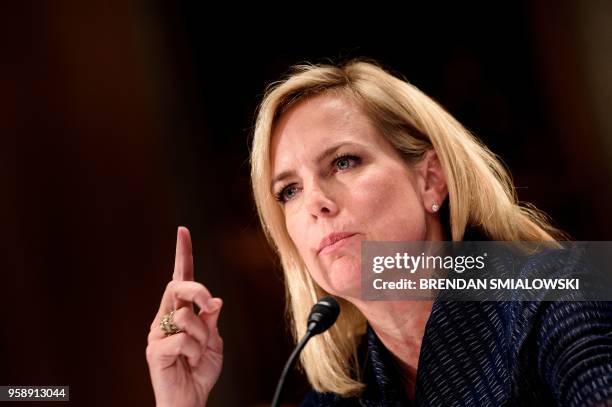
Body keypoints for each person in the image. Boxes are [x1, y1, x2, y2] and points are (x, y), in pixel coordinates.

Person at [146, 59, 612, 406]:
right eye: (288, 190)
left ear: (430, 179)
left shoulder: (558, 296)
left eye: (344, 162)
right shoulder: (339, 396)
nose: (315, 203)